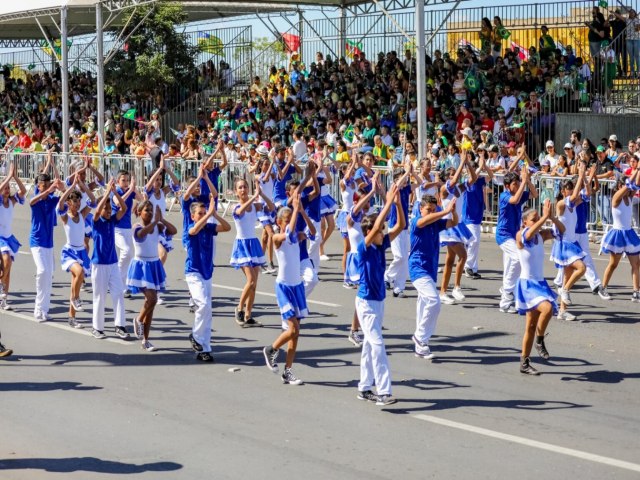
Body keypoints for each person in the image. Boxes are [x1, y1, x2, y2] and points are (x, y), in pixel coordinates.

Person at [354, 183, 404, 406]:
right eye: (379, 229)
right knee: (377, 345)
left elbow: (400, 225)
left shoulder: (380, 244)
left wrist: (397, 203)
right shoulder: (364, 248)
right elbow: (376, 228)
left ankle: (364, 387)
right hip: (366, 302)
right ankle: (383, 391)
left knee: (368, 345)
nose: (382, 232)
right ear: (368, 232)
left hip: (378, 301)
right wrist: (387, 202)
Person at [262, 193, 313, 385]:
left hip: (297, 286)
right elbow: (290, 231)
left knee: (296, 332)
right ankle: (271, 349)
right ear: (279, 221)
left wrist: (301, 212)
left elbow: (313, 232)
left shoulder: (295, 236)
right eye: (286, 219)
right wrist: (296, 210)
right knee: (292, 329)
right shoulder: (277, 238)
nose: (290, 223)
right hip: (283, 287)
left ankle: (288, 370)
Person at [515, 200, 563, 375]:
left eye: (537, 219)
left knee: (530, 325)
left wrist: (552, 218)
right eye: (533, 219)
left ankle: (524, 362)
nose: (536, 222)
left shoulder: (541, 235)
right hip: (527, 284)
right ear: (525, 222)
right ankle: (540, 340)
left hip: (539, 283)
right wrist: (543, 217)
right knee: (548, 308)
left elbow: (561, 231)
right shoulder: (520, 235)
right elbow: (528, 235)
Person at [410, 195, 458, 360]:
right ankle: (420, 336)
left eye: (433, 209)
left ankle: (420, 345)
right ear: (420, 209)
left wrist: (453, 211)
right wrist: (444, 211)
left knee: (423, 304)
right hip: (418, 268)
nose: (431, 212)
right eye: (428, 210)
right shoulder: (416, 222)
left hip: (430, 269)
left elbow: (453, 223)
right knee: (434, 301)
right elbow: (424, 221)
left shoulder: (436, 224)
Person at [185, 195, 231, 362]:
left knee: (207, 312)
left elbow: (227, 228)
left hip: (207, 273)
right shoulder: (191, 227)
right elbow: (194, 230)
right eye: (200, 213)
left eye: (205, 212)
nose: (203, 215)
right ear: (193, 216)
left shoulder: (209, 227)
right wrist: (208, 215)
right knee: (202, 305)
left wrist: (216, 215)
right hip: (193, 273)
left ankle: (204, 349)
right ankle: (196, 337)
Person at [128, 202, 177, 351]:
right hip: (141, 267)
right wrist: (155, 222)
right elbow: (142, 235)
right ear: (139, 212)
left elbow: (173, 230)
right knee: (152, 298)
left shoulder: (157, 225)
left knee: (151, 304)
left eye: (151, 210)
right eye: (146, 210)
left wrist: (161, 219)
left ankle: (146, 340)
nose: (149, 213)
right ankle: (138, 319)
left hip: (154, 265)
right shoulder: (137, 227)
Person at [230, 178, 275, 326]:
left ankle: (248, 315)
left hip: (253, 244)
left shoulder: (255, 206)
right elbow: (241, 211)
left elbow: (271, 207)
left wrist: (261, 194)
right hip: (242, 245)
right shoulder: (235, 208)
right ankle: (239, 308)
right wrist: (254, 199)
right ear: (236, 192)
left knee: (254, 284)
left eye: (245, 187)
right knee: (250, 280)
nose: (243, 190)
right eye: (240, 188)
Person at [91, 179, 130, 339]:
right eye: (105, 209)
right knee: (100, 296)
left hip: (113, 263)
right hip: (99, 264)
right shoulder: (96, 222)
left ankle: (119, 325)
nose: (108, 211)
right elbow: (96, 212)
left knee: (118, 293)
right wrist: (106, 192)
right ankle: (97, 328)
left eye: (109, 209)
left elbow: (124, 207)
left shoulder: (112, 220)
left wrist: (114, 192)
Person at [496, 170, 538, 313]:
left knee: (509, 266)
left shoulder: (519, 193)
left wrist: (527, 181)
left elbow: (534, 194)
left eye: (518, 182)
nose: (518, 184)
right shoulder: (504, 195)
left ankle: (505, 297)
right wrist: (523, 182)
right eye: (515, 183)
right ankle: (507, 293)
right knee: (518, 258)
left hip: (514, 235)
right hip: (503, 235)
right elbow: (514, 200)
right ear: (507, 186)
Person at [30, 160, 65, 322]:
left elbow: (66, 196)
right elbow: (32, 201)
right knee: (43, 271)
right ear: (38, 185)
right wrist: (49, 189)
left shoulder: (52, 199)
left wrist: (60, 186)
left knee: (49, 274)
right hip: (36, 241)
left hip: (49, 243)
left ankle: (44, 310)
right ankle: (38, 310)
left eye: (47, 183)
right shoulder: (36, 197)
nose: (44, 186)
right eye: (42, 184)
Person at [439, 157, 477, 304]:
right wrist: (461, 162)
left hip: (458, 225)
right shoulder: (444, 189)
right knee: (463, 255)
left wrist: (467, 163)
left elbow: (473, 178)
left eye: (455, 173)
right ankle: (456, 287)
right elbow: (453, 181)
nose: (455, 175)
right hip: (448, 226)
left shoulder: (459, 189)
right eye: (451, 173)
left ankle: (443, 292)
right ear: (446, 177)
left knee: (449, 261)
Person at [57, 181, 94, 329]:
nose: (78, 204)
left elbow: (94, 201)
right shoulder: (65, 216)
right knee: (79, 272)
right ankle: (76, 298)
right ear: (69, 202)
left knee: (76, 282)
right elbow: (60, 203)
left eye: (79, 201)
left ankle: (71, 317)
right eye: (74, 202)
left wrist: (83, 187)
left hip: (81, 252)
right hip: (69, 252)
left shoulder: (83, 214)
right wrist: (71, 188)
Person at [549, 179, 587, 321]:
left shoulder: (575, 203)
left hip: (572, 243)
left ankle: (562, 311)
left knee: (567, 276)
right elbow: (572, 198)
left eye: (571, 188)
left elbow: (587, 194)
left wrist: (585, 178)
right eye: (567, 188)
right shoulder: (561, 204)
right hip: (564, 244)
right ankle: (564, 290)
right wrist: (581, 174)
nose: (570, 190)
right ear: (562, 191)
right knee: (581, 268)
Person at [144, 159, 180, 304]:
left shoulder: (164, 192)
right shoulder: (149, 193)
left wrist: (167, 170)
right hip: (151, 229)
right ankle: (154, 287)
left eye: (160, 179)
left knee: (158, 259)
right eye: (156, 179)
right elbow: (147, 187)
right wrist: (158, 169)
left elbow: (176, 185)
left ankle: (151, 283)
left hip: (162, 229)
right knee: (162, 255)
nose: (158, 182)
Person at [600, 170, 640, 301]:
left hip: (628, 233)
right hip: (617, 235)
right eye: (623, 185)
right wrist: (637, 170)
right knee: (613, 264)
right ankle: (603, 287)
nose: (628, 188)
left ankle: (636, 291)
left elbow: (636, 184)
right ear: (619, 186)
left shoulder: (629, 197)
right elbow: (629, 185)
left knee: (636, 264)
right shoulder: (616, 198)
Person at [0, 162, 26, 310]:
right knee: (6, 260)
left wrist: (15, 177)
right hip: (0, 238)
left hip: (8, 238)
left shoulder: (11, 201)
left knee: (8, 270)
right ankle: (0, 286)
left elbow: (23, 191)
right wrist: (8, 176)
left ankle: (4, 299)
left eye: (8, 188)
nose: (6, 190)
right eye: (5, 188)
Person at [112, 170, 142, 298]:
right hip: (116, 228)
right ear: (118, 182)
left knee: (129, 256)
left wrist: (134, 189)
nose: (126, 183)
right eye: (123, 180)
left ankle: (122, 286)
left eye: (127, 180)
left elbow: (142, 199)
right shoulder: (116, 192)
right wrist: (130, 191)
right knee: (127, 251)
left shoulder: (129, 191)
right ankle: (114, 276)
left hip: (127, 228)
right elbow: (119, 203)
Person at [384, 164, 412, 298]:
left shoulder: (406, 189)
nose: (405, 180)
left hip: (405, 227)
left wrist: (411, 173)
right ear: (396, 179)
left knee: (405, 258)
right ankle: (387, 276)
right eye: (402, 177)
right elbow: (398, 184)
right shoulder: (394, 188)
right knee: (399, 256)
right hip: (395, 226)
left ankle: (398, 288)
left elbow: (419, 183)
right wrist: (406, 173)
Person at [463, 153, 491, 279]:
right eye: (472, 170)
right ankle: (468, 266)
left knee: (475, 243)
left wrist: (485, 165)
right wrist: (478, 167)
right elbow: (473, 177)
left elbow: (491, 176)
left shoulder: (480, 181)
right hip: (469, 217)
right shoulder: (467, 182)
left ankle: (473, 268)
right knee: (473, 242)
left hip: (477, 216)